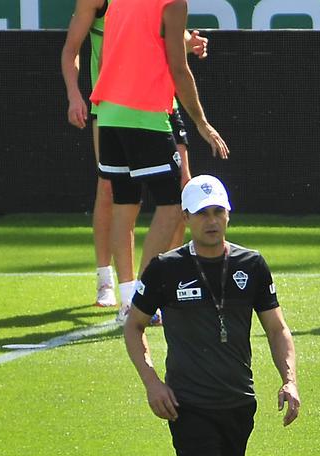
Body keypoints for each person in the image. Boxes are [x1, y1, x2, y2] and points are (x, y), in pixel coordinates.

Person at [123, 175, 300, 456]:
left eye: (218, 211)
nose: (212, 220)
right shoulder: (165, 269)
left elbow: (277, 329)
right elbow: (134, 326)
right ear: (186, 217)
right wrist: (152, 382)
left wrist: (289, 379)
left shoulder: (251, 265)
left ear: (229, 215)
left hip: (238, 403)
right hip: (188, 406)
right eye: (202, 213)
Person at [60, 0, 205, 308]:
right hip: (122, 106)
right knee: (115, 192)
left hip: (158, 104)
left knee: (178, 190)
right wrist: (74, 96)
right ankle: (114, 283)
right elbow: (71, 49)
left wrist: (187, 40)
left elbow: (159, 36)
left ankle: (160, 285)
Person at [90, 0, 229, 323]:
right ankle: (143, 298)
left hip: (109, 113)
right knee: (172, 204)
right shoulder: (174, 4)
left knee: (125, 205)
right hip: (145, 115)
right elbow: (179, 69)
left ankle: (128, 302)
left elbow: (141, 41)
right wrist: (202, 123)